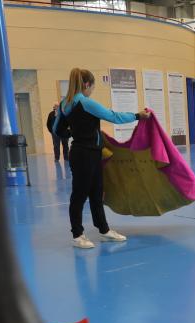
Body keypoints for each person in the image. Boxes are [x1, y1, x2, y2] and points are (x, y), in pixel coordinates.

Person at [54, 68, 149, 249]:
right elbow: (113, 116)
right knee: (80, 195)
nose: (92, 91)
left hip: (87, 153)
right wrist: (138, 116)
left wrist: (75, 133)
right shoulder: (85, 102)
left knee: (96, 193)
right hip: (85, 155)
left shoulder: (65, 104)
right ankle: (77, 235)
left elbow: (57, 130)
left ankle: (103, 230)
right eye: (92, 87)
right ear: (87, 85)